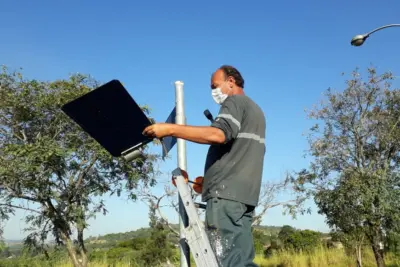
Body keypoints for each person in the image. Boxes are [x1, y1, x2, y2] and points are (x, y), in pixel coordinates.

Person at [143, 65, 266, 267]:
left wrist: (169, 129)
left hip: (226, 195)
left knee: (229, 262)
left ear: (231, 82)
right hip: (244, 196)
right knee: (242, 260)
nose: (213, 92)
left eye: (215, 85)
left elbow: (218, 134)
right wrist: (207, 183)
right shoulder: (256, 110)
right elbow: (238, 153)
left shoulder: (234, 101)